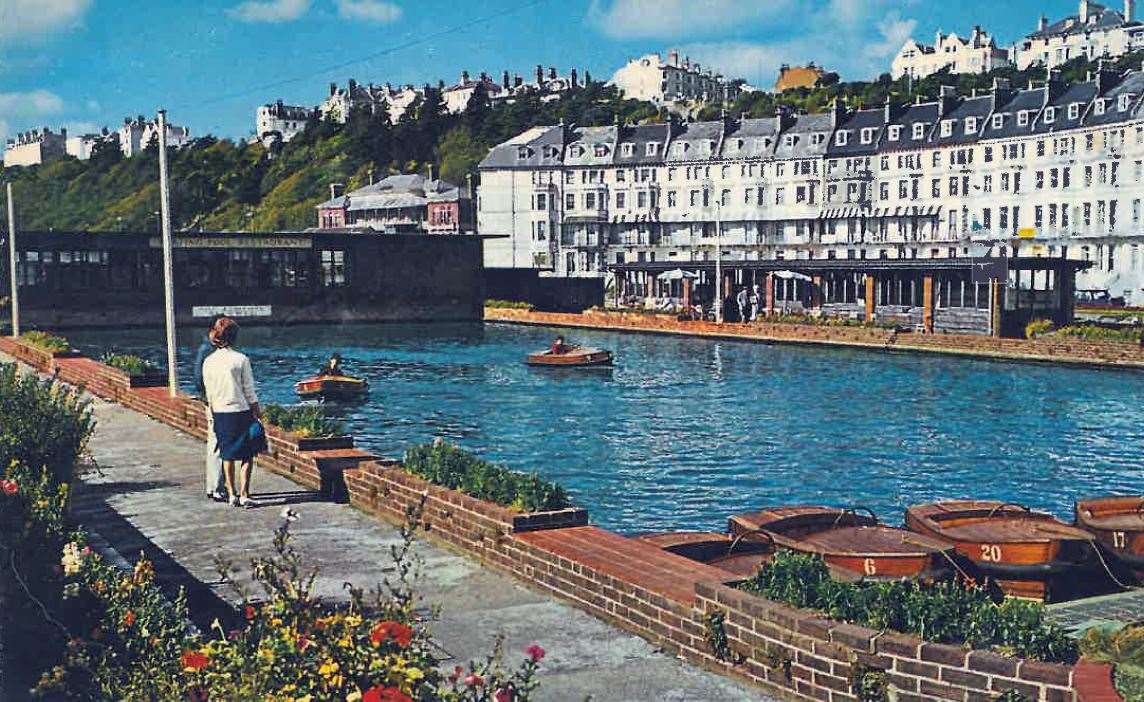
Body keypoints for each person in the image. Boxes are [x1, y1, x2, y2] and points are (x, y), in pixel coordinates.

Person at [202, 317, 263, 509]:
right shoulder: (241, 359)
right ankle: (244, 494)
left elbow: (208, 391)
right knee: (247, 455)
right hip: (240, 411)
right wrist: (257, 411)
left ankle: (231, 493)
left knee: (227, 454)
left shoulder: (209, 361)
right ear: (234, 337)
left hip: (220, 411)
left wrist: (211, 410)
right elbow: (249, 390)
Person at [193, 316, 226, 503]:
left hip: (212, 400)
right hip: (215, 401)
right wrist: (208, 396)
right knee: (217, 443)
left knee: (216, 442)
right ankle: (216, 487)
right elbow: (199, 378)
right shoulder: (208, 350)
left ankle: (215, 485)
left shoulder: (208, 349)